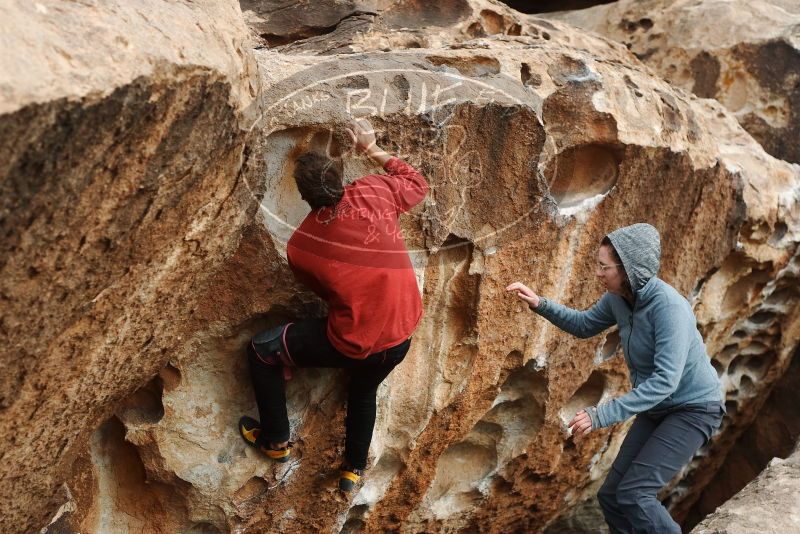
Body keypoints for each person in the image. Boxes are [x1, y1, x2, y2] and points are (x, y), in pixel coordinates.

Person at [239, 118, 428, 491]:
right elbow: (417, 184)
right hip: (402, 332)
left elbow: (324, 293)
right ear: (341, 179)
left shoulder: (301, 246)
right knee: (363, 391)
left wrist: (291, 354)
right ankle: (353, 470)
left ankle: (276, 441)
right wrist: (371, 148)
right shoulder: (374, 192)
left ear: (303, 196)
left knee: (262, 350)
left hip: (353, 343)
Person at [506, 223, 724, 534]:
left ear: (629, 270)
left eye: (603, 267)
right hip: (658, 409)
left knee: (635, 495)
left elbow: (666, 381)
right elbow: (583, 325)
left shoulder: (669, 308)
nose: (597, 273)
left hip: (694, 409)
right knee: (611, 497)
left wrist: (600, 415)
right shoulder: (618, 299)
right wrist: (540, 303)